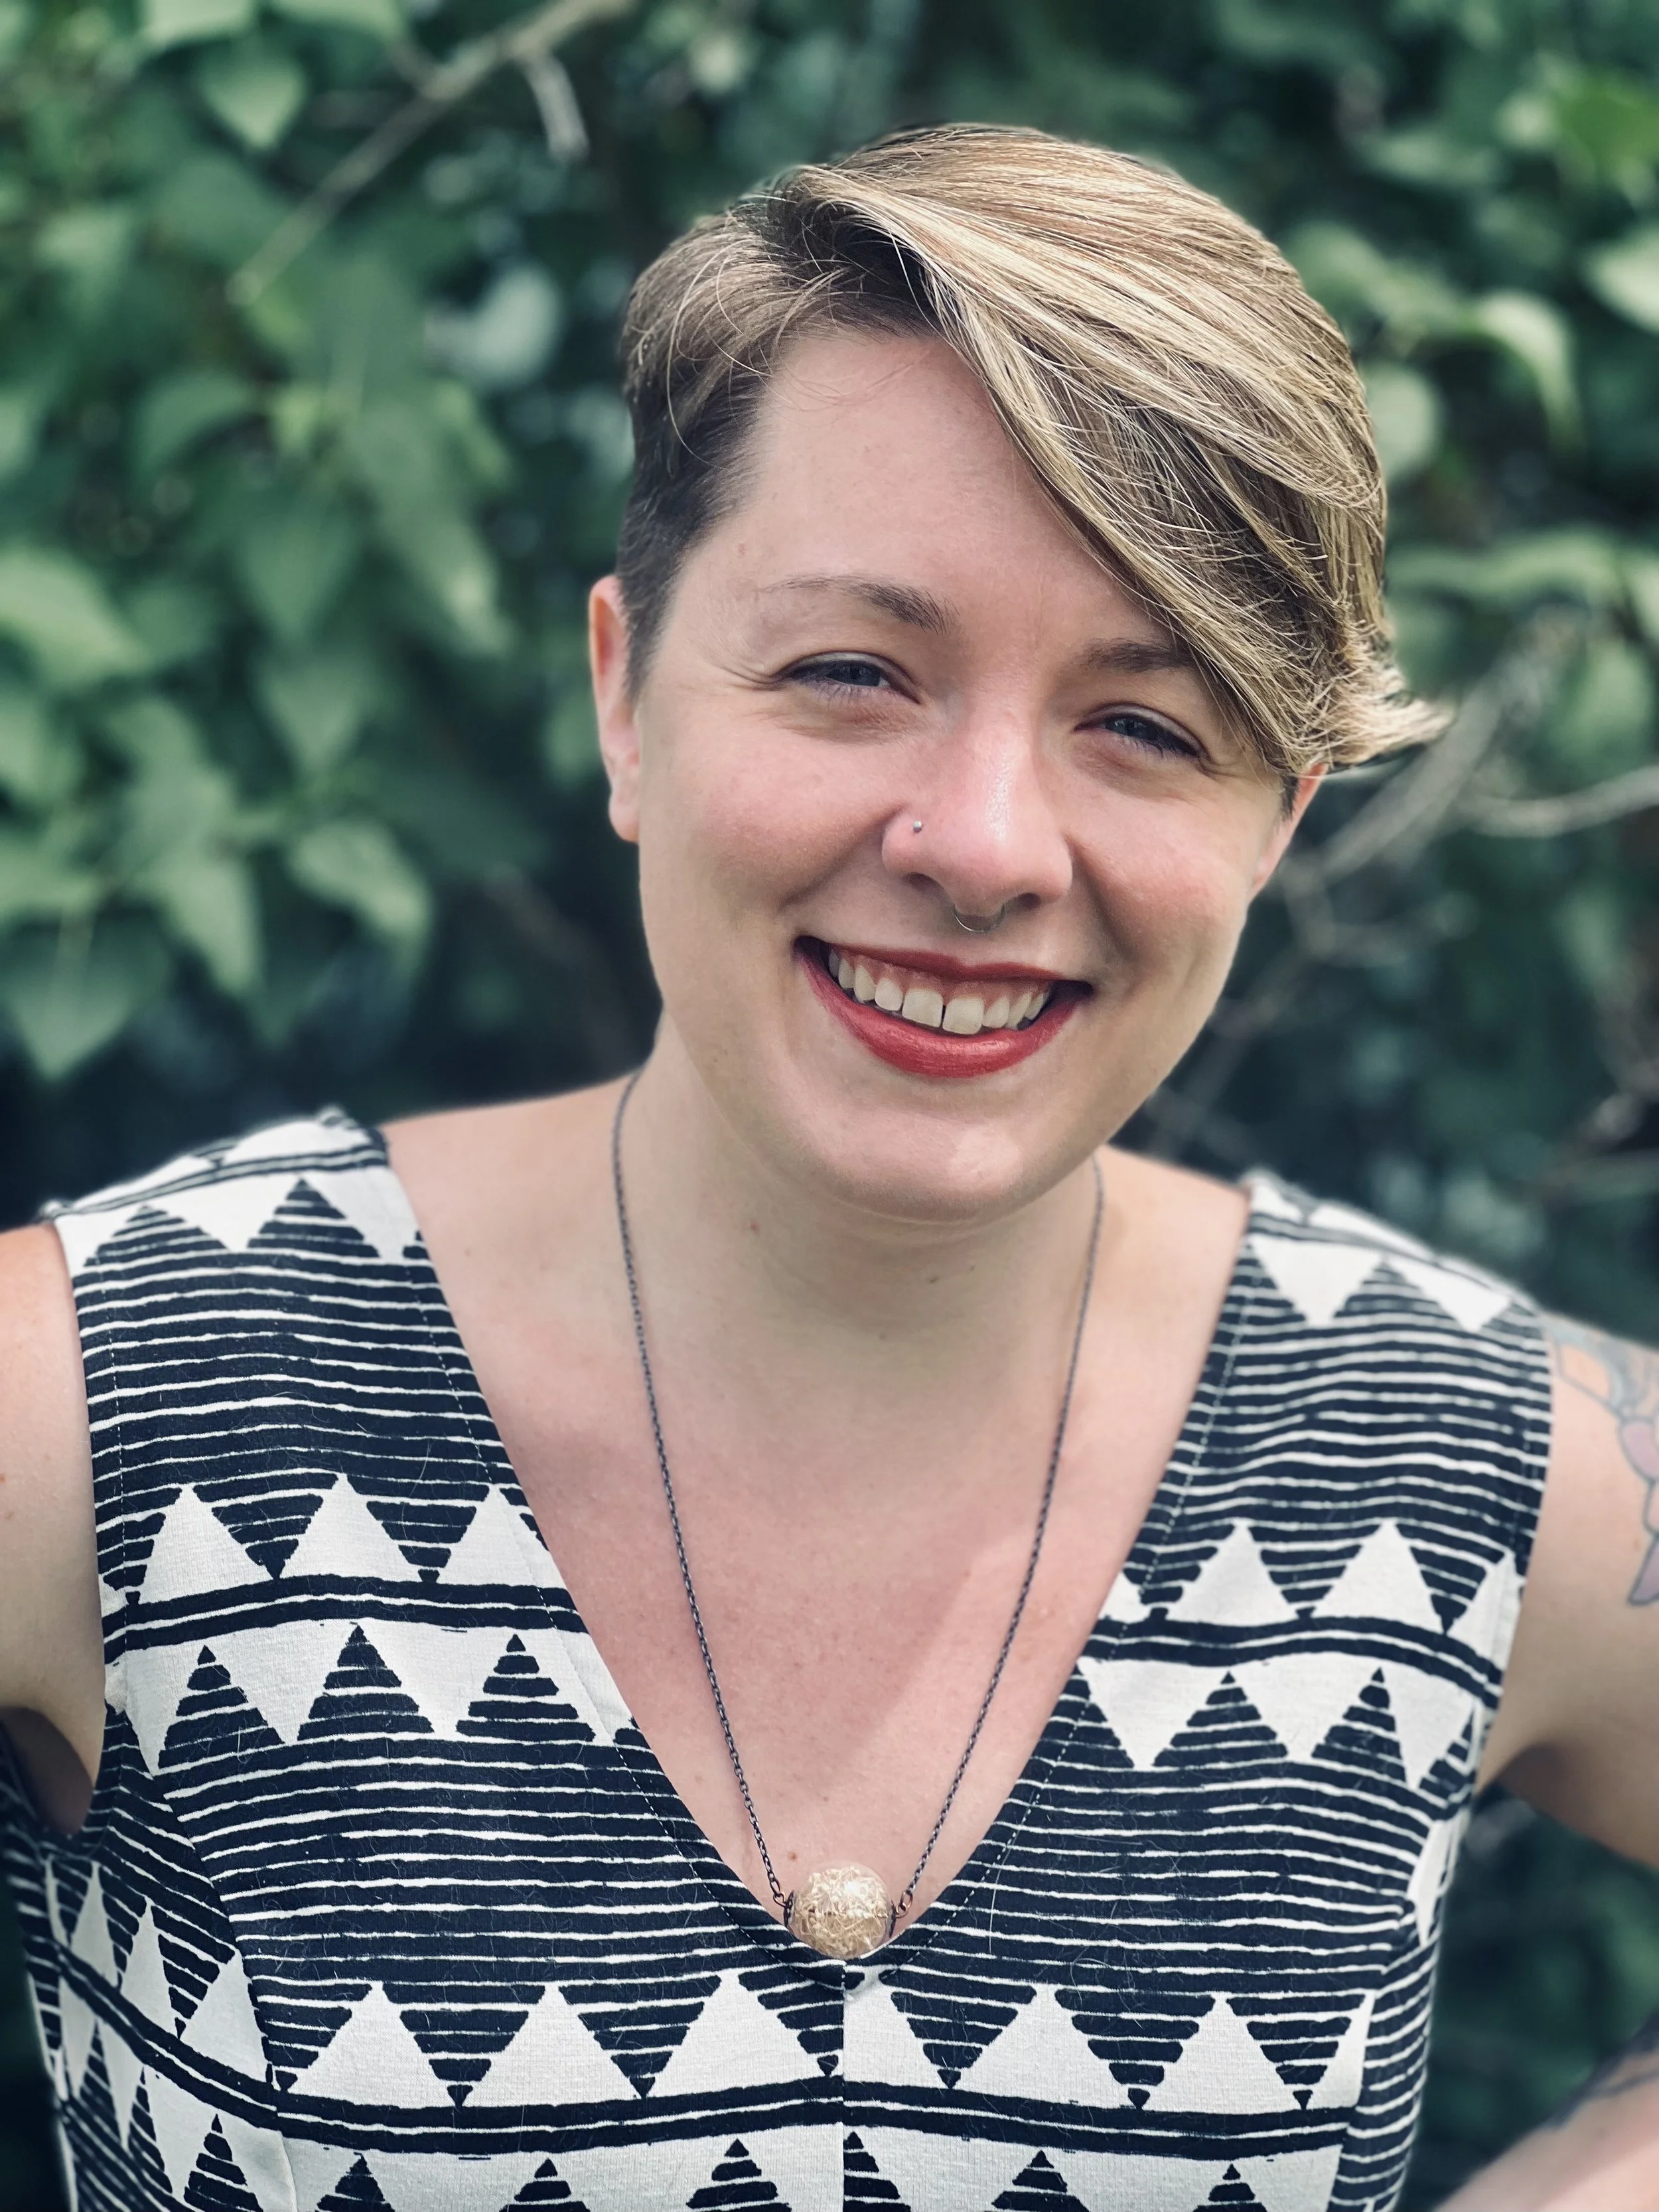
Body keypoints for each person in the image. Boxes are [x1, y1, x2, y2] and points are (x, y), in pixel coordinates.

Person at [0, 122, 1655, 2212]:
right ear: (623, 697)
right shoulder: (115, 1392)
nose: (981, 842)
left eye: (1144, 724)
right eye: (852, 672)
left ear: (1279, 818)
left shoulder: (1447, 1448)